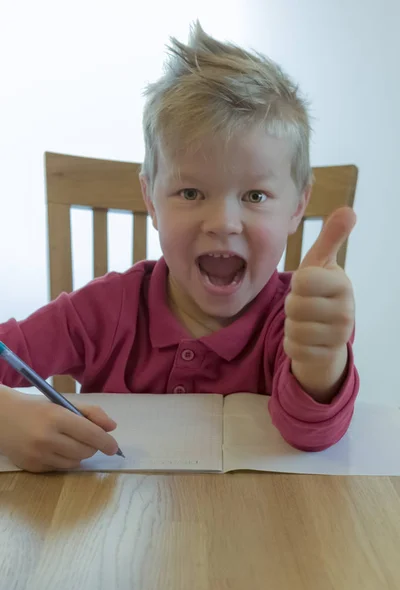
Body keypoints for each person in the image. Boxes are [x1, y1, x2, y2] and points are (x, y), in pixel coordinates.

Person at [0, 22, 359, 472]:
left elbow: (310, 434)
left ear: (298, 205)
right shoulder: (97, 313)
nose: (224, 223)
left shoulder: (295, 322)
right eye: (190, 193)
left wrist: (321, 363)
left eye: (254, 196)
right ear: (151, 198)